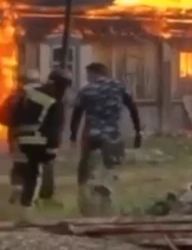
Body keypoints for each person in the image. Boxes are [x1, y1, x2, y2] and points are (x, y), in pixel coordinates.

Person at [70, 62, 142, 215]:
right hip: (113, 135)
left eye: (89, 74)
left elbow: (76, 114)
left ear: (93, 73)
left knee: (86, 168)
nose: (88, 78)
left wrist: (72, 135)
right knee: (110, 167)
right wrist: (138, 131)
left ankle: (86, 197)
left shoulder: (86, 89)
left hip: (92, 135)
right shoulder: (119, 87)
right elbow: (132, 107)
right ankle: (107, 195)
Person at [2, 69, 71, 222]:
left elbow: (6, 117)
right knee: (34, 174)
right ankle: (26, 212)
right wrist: (53, 147)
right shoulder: (56, 98)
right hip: (39, 140)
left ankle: (18, 192)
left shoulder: (22, 95)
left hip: (18, 140)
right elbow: (55, 126)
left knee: (21, 169)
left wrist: (18, 131)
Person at [4, 69, 57, 206]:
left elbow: (3, 117)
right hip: (38, 139)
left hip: (16, 138)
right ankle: (30, 200)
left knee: (19, 166)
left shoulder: (14, 97)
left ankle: (18, 189)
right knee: (35, 170)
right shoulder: (43, 96)